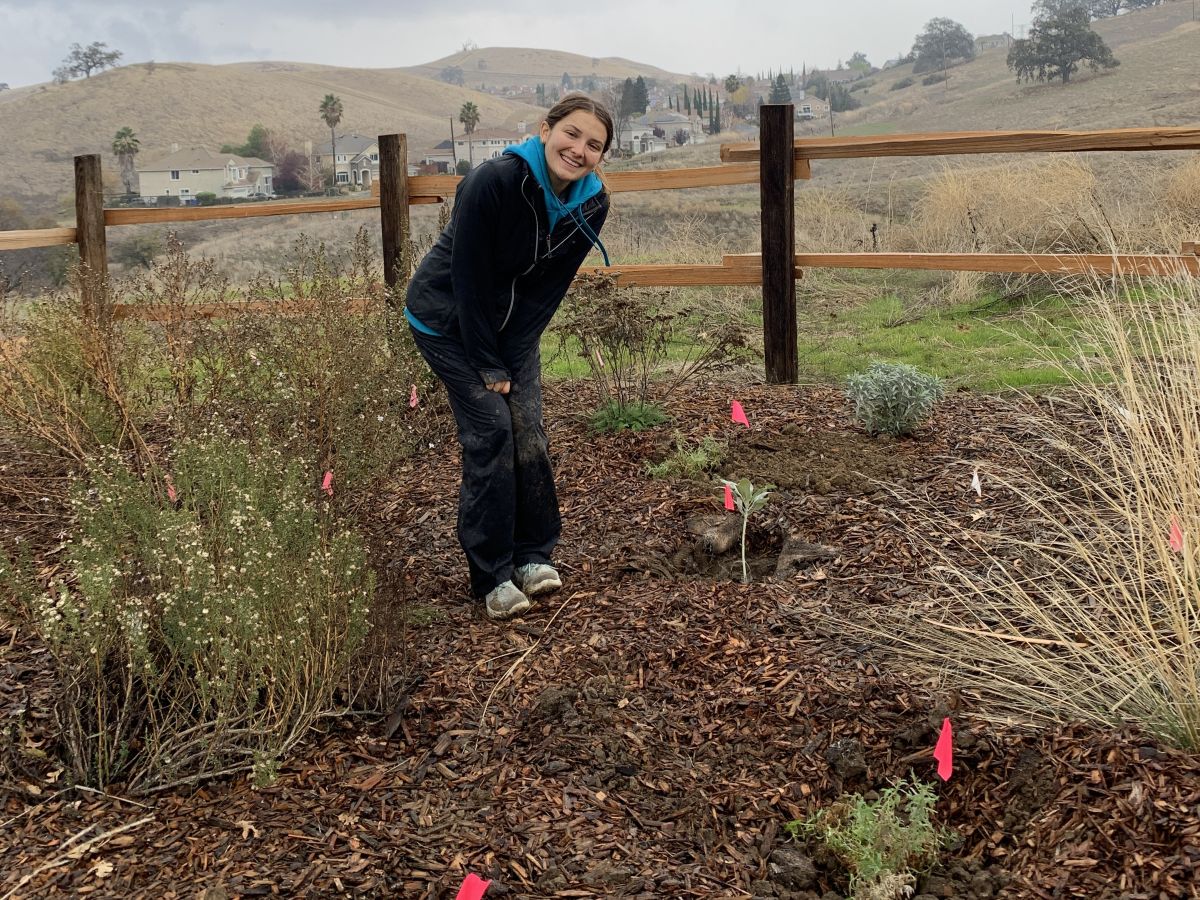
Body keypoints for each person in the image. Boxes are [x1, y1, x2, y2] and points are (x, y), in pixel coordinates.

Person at [404, 95, 614, 620]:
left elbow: (547, 291)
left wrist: (514, 355)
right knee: (492, 430)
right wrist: (489, 364)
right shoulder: (493, 181)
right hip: (446, 321)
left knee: (527, 427)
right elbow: (469, 278)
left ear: (601, 156)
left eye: (594, 145)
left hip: (510, 329)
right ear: (545, 130)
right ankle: (492, 575)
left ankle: (532, 554)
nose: (579, 149)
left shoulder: (593, 204)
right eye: (571, 134)